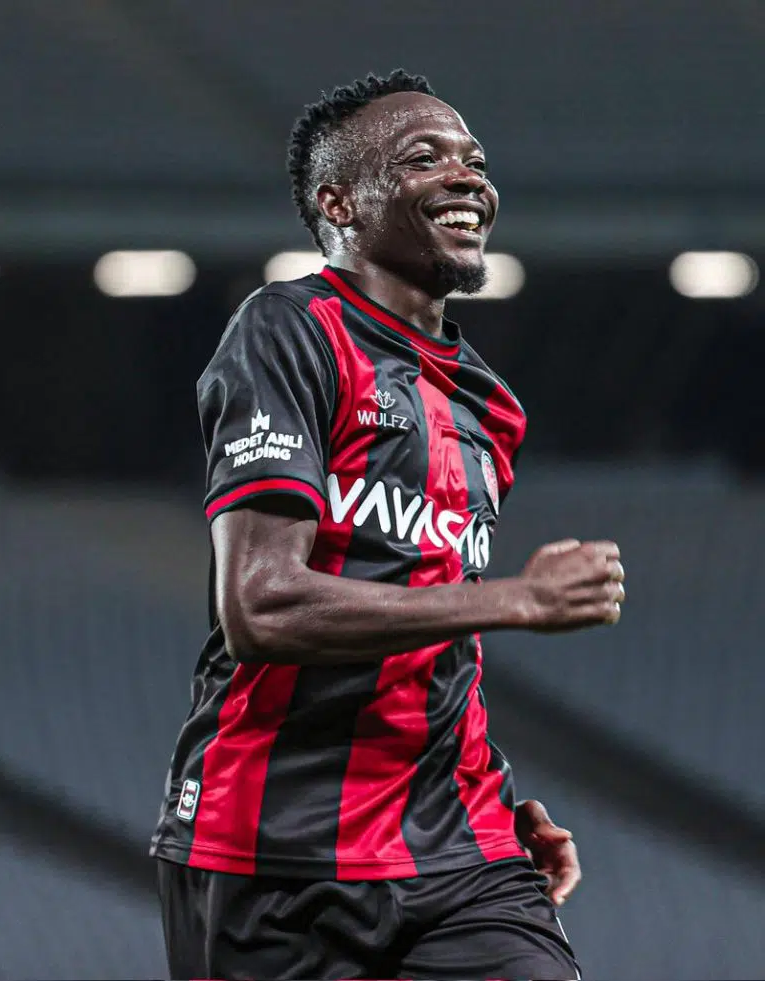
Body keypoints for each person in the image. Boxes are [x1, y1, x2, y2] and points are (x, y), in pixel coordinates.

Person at [150, 70, 625, 980]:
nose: (467, 176)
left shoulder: (488, 403)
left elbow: (431, 620)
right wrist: (518, 598)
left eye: (474, 160)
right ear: (340, 203)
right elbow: (261, 607)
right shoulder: (288, 330)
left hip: (458, 840)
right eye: (424, 158)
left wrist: (496, 794)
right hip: (273, 852)